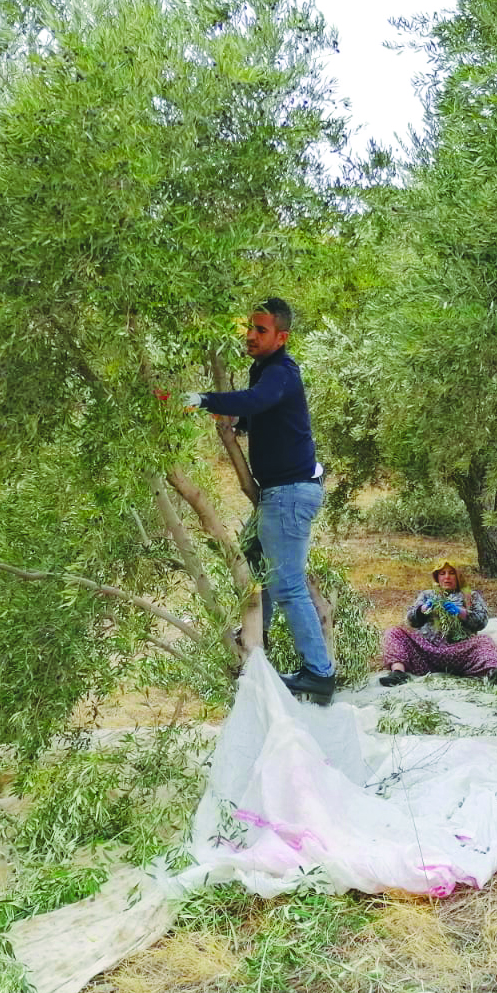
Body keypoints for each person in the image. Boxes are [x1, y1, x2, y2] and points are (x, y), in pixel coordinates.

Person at [184, 298, 333, 704]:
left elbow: (257, 401)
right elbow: (261, 412)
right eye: (250, 327)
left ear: (281, 337)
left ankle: (319, 674)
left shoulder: (281, 371)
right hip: (278, 493)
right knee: (256, 564)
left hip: (288, 494)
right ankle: (256, 637)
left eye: (261, 330)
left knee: (286, 584)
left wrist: (204, 400)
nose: (251, 335)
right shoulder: (264, 370)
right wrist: (239, 422)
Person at [379, 561, 497, 687]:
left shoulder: (471, 596)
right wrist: (422, 610)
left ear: (458, 576)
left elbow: (482, 622)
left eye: (451, 573)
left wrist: (460, 612)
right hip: (426, 652)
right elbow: (411, 620)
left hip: (460, 653)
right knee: (394, 632)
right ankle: (398, 673)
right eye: (442, 573)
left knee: (485, 641)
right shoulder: (427, 595)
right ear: (437, 577)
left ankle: (493, 675)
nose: (447, 577)